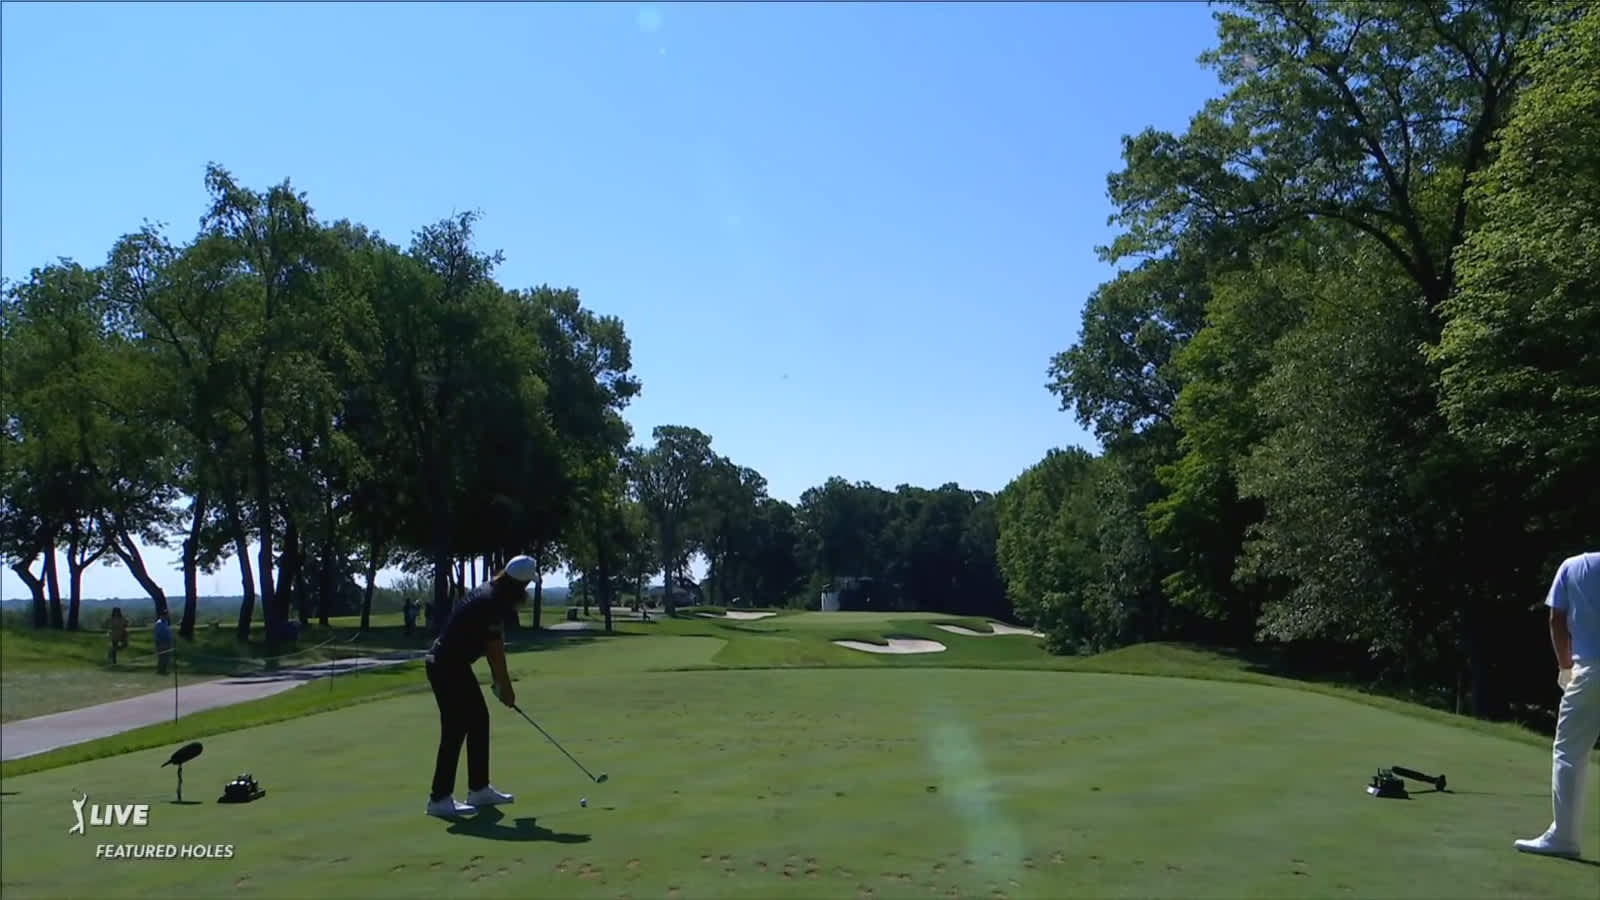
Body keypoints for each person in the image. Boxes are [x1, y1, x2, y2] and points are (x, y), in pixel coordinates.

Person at [422, 555, 535, 818]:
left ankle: (479, 788)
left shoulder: (493, 594)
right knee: (456, 726)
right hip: (445, 665)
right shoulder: (492, 601)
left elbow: (493, 639)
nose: (528, 590)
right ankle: (439, 798)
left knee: (478, 720)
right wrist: (504, 686)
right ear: (518, 585)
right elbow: (494, 651)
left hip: (452, 664)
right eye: (527, 585)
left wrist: (500, 682)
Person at [1516, 551, 1600, 859]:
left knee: (1570, 752)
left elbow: (1556, 619)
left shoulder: (1573, 565)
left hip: (1590, 670)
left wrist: (1565, 668)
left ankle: (1564, 838)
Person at [153, 611, 173, 675]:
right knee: (162, 657)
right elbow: (157, 634)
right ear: (161, 616)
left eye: (166, 615)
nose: (166, 617)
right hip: (162, 642)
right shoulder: (159, 623)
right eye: (165, 615)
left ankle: (165, 670)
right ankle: (160, 671)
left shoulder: (165, 622)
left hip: (167, 642)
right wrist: (158, 642)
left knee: (166, 658)